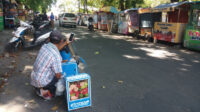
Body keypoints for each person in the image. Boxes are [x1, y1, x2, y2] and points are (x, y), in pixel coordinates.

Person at [31, 30, 69, 100]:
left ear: (48, 39)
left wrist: (66, 43)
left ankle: (38, 88)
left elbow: (55, 49)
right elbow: (58, 75)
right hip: (42, 82)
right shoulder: (56, 56)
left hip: (34, 78)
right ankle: (45, 91)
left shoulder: (44, 46)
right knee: (62, 78)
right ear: (61, 41)